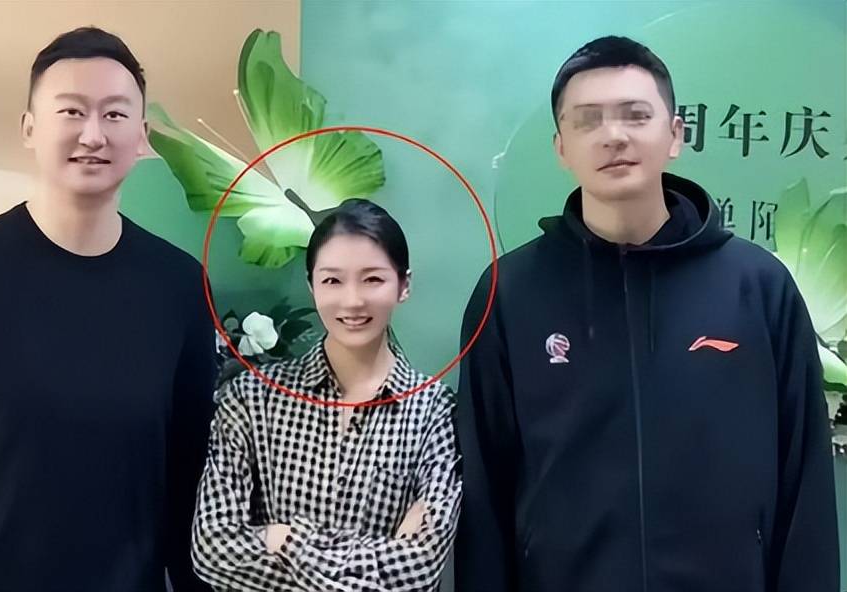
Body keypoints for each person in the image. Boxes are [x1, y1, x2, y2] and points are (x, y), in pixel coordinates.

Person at [455, 35, 839, 592]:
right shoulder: (510, 292)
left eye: (636, 115)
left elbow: (805, 482)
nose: (614, 135)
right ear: (561, 148)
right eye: (588, 120)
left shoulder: (757, 286)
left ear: (675, 135)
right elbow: (484, 490)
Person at [0, 26, 216, 592]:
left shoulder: (179, 288)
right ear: (30, 128)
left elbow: (189, 484)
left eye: (114, 114)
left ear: (141, 137)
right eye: (71, 111)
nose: (93, 134)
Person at [192, 199, 462, 591]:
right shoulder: (250, 399)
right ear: (311, 285)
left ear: (404, 285)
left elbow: (419, 569)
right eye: (333, 281)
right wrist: (381, 555)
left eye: (372, 279)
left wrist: (286, 539)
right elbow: (212, 549)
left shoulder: (434, 411)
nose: (352, 300)